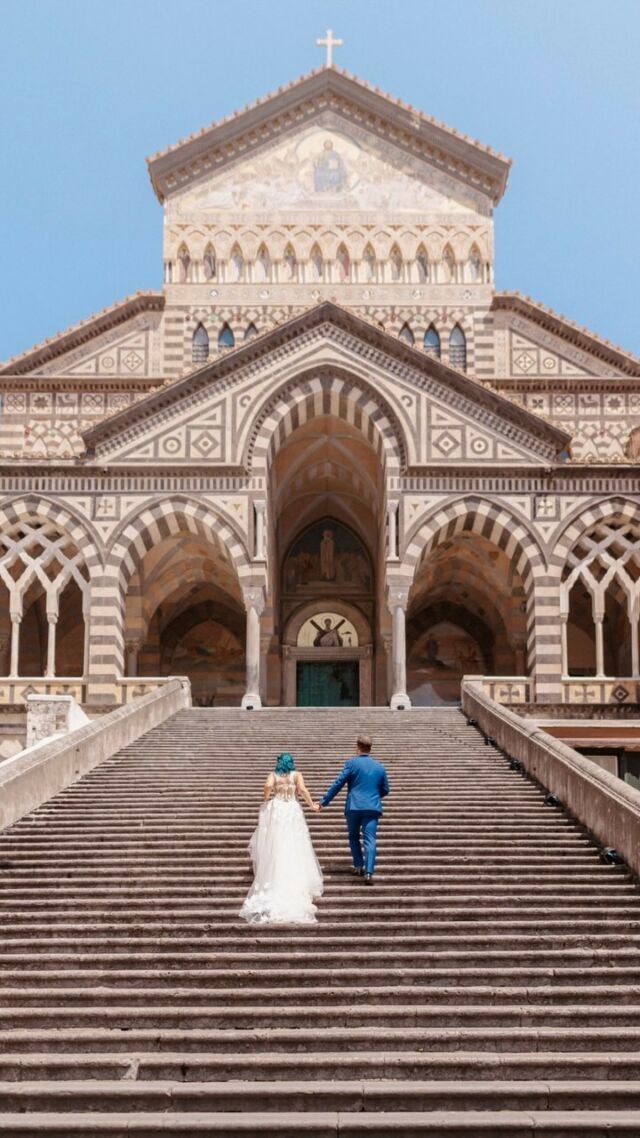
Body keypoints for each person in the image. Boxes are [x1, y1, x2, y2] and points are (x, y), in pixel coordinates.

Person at [239, 753, 323, 924]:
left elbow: (267, 785)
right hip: (292, 809)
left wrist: (267, 797)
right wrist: (312, 805)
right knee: (296, 843)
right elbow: (303, 790)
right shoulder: (297, 775)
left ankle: (275, 874)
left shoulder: (273, 775)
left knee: (276, 843)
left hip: (278, 809)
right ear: (291, 763)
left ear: (279, 763)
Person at [319, 735, 389, 885]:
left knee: (353, 836)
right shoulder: (380, 767)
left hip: (354, 806)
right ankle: (369, 873)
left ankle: (358, 866)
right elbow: (385, 789)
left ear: (357, 746)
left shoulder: (352, 763)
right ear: (370, 748)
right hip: (372, 807)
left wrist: (324, 801)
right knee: (370, 839)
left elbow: (339, 783)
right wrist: (374, 796)